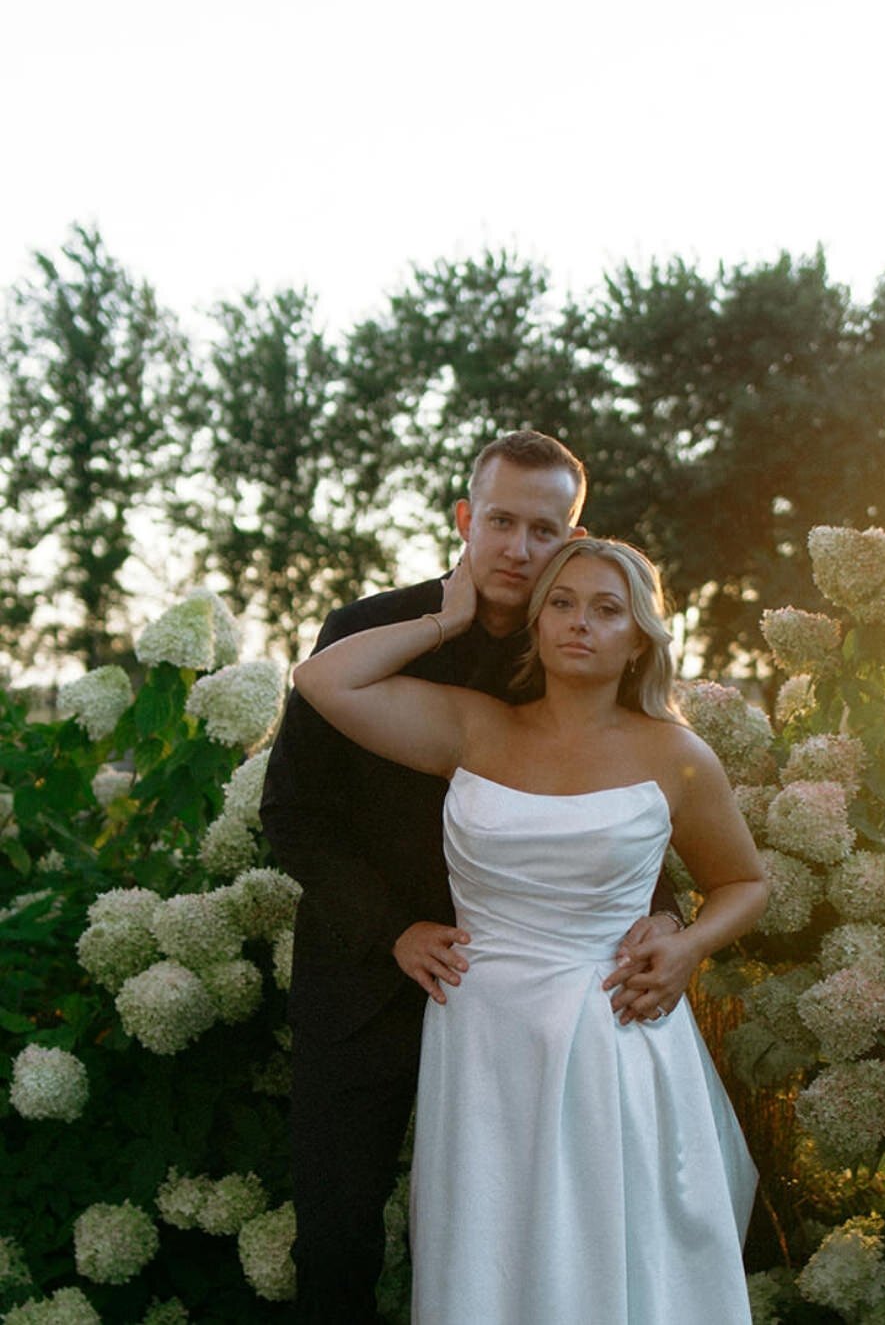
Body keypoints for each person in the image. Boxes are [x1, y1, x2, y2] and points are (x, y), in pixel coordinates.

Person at [259, 432, 686, 1322]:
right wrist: (392, 931)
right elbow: (292, 815)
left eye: (544, 527)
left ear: (570, 533)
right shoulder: (366, 634)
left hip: (520, 1004)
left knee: (492, 1232)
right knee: (338, 1232)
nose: (520, 548)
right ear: (465, 519)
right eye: (500, 521)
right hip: (364, 972)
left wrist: (668, 914)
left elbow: (624, 799)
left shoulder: (571, 645)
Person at [292, 535, 768, 1324]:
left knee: (609, 1249)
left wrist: (686, 946)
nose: (580, 623)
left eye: (607, 609)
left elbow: (743, 883)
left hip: (615, 1028)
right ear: (537, 624)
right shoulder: (477, 729)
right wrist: (446, 620)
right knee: (490, 1248)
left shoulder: (677, 755)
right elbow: (323, 678)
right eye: (562, 603)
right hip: (483, 1036)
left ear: (639, 636)